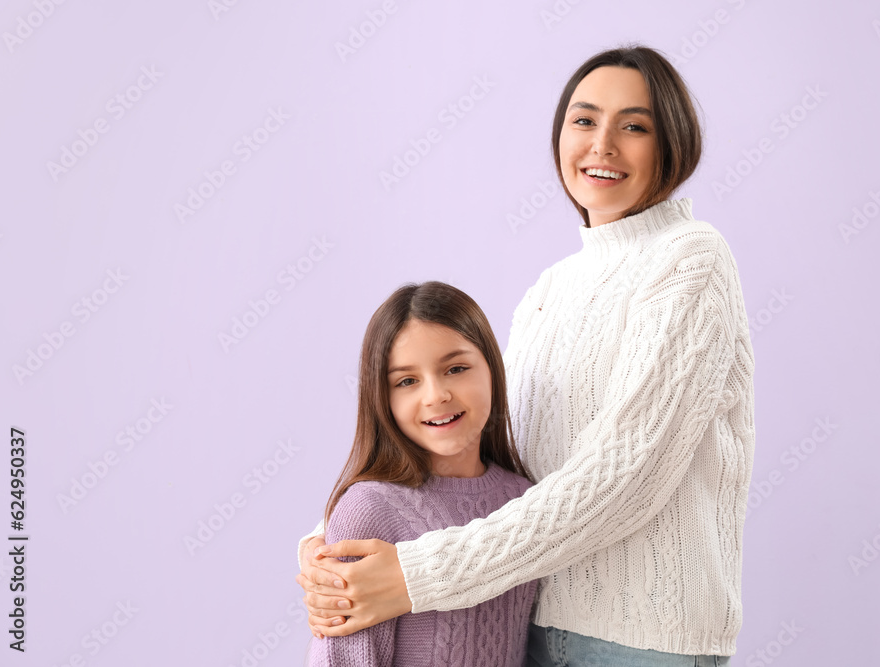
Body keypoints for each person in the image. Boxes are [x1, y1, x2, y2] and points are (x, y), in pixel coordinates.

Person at [297, 45, 755, 666]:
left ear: (673, 143)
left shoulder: (691, 260)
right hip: (526, 625)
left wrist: (412, 576)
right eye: (584, 120)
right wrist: (332, 547)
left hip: (643, 643)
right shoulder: (550, 290)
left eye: (635, 126)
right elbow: (481, 448)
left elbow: (624, 482)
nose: (602, 145)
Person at [302, 281, 537, 666]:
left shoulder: (525, 500)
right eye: (407, 381)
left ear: (492, 369)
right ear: (383, 397)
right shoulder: (368, 511)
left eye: (456, 368)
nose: (435, 395)